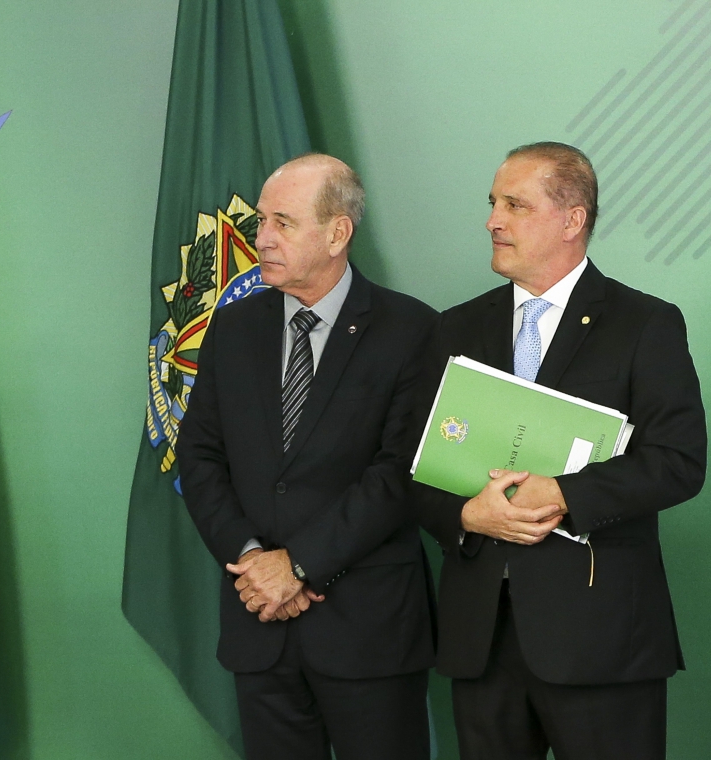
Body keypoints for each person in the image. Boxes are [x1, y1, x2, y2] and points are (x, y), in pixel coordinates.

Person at [416, 142, 706, 760]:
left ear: (572, 220)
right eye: (493, 203)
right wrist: (465, 514)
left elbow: (678, 462)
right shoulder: (454, 327)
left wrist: (564, 493)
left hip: (601, 641)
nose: (492, 220)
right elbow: (412, 469)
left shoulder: (645, 323)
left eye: (515, 205)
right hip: (481, 640)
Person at [176, 154, 437, 760]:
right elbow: (200, 456)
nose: (262, 238)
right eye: (261, 222)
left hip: (367, 631)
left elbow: (400, 473)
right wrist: (252, 560)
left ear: (338, 232)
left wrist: (298, 566)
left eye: (283, 223)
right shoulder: (233, 327)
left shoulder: (411, 329)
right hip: (260, 625)